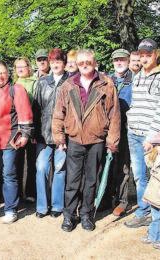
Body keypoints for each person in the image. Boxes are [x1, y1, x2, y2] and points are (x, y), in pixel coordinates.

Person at [52, 49, 120, 232]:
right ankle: (69, 215)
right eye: (81, 62)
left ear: (94, 62)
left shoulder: (106, 84)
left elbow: (114, 115)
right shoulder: (68, 86)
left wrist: (112, 141)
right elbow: (58, 114)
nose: (84, 65)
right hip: (74, 139)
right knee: (72, 181)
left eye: (87, 62)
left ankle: (86, 214)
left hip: (97, 140)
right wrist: (59, 137)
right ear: (77, 64)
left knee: (91, 180)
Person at [125, 38, 160, 229]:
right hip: (134, 133)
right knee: (139, 176)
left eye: (148, 55)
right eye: (142, 55)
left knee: (156, 176)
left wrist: (152, 136)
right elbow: (135, 105)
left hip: (151, 137)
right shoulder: (137, 76)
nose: (144, 59)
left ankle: (157, 214)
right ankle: (144, 211)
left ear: (156, 54)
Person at [0, 61, 33, 224]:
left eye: (2, 72)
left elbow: (25, 113)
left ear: (8, 74)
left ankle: (11, 209)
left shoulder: (16, 89)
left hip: (10, 140)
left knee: (9, 174)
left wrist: (25, 134)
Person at [32, 48, 69, 218]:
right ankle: (42, 206)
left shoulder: (71, 82)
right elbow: (36, 109)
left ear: (64, 63)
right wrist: (33, 133)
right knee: (41, 168)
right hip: (43, 134)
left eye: (58, 61)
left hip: (63, 135)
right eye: (52, 61)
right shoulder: (42, 82)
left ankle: (57, 206)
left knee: (60, 169)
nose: (55, 64)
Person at [108, 48, 133, 216]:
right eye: (116, 60)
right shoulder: (106, 80)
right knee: (107, 164)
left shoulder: (135, 80)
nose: (119, 62)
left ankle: (122, 201)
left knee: (123, 166)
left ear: (128, 61)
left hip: (126, 128)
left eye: (122, 60)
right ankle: (106, 198)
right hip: (108, 129)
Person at [13, 57, 37, 202]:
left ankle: (30, 192)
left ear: (29, 67)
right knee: (17, 161)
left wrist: (33, 131)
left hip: (32, 127)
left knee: (32, 162)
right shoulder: (13, 85)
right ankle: (17, 193)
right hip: (16, 129)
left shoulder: (36, 83)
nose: (20, 69)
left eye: (23, 66)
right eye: (17, 67)